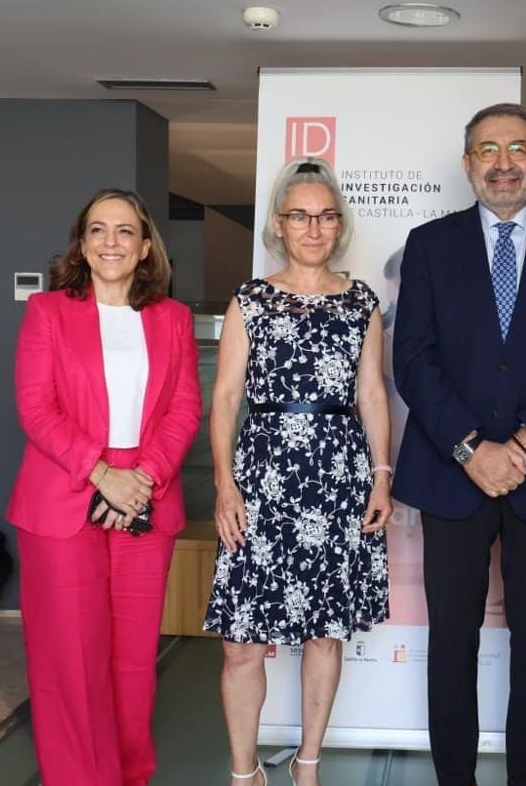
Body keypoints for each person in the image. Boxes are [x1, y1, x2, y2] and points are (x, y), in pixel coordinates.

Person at [392, 103, 526, 786]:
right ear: (468, 164)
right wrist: (471, 449)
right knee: (451, 641)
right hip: (451, 474)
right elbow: (413, 359)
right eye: (488, 149)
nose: (503, 163)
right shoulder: (430, 245)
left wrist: (525, 444)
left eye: (517, 148)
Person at [204, 157, 392, 786]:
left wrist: (381, 475)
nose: (314, 228)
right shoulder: (250, 300)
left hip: (338, 479)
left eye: (325, 216)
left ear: (339, 226)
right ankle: (244, 772)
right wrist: (225, 485)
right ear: (279, 225)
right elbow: (226, 397)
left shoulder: (361, 302)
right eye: (300, 216)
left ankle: (307, 764)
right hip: (260, 481)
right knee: (241, 641)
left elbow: (372, 393)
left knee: (324, 634)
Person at [6, 188, 202, 785]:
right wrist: (102, 475)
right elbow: (36, 409)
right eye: (98, 229)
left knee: (133, 658)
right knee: (70, 658)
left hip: (145, 492)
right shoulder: (47, 311)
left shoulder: (173, 318)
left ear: (144, 247)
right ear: (82, 243)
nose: (110, 242)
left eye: (124, 231)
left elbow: (184, 409)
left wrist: (142, 478)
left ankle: (129, 773)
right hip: (65, 494)